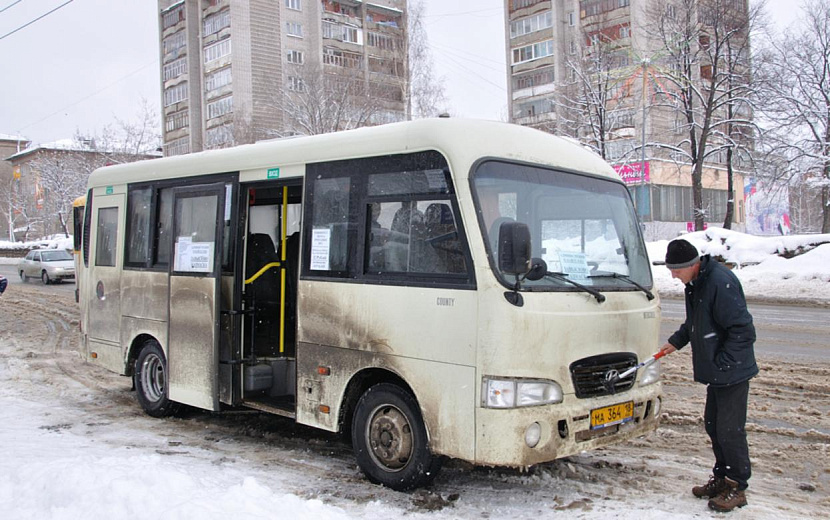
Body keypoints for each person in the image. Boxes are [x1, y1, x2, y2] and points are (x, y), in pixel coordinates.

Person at [658, 239, 757, 513]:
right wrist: (677, 341)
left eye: (676, 270)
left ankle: (737, 486)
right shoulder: (697, 283)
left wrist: (724, 363)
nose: (673, 275)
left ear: (692, 265)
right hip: (719, 371)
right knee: (714, 425)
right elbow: (696, 322)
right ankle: (722, 479)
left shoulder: (718, 283)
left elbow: (743, 330)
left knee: (729, 430)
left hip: (731, 371)